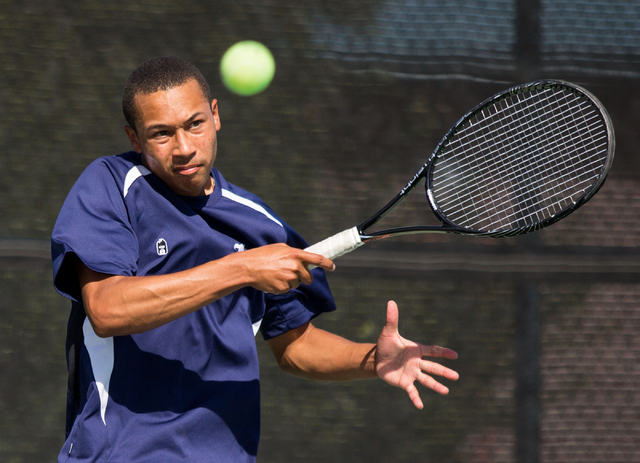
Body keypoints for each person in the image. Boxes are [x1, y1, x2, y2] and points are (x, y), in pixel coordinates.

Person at [51, 57, 459, 463]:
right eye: (161, 134)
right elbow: (107, 309)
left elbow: (295, 346)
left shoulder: (260, 224)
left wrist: (371, 360)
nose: (184, 147)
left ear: (215, 116)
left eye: (195, 124)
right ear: (135, 139)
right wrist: (243, 268)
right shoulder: (111, 184)